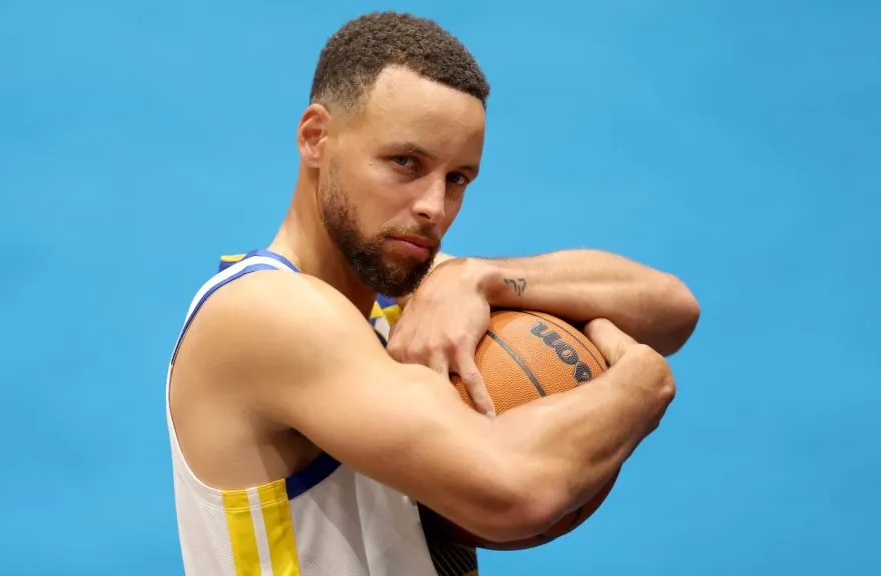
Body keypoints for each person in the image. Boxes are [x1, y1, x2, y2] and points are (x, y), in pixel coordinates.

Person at [164, 11, 700, 576]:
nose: (433, 207)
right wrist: (644, 383)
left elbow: (672, 309)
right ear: (316, 137)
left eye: (457, 178)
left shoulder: (408, 294)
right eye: (405, 162)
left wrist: (479, 276)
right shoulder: (267, 312)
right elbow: (515, 494)